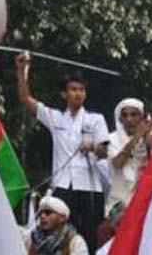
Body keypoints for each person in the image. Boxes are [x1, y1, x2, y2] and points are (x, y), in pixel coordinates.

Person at [16, 52, 109, 250]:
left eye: (82, 90)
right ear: (64, 94)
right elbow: (25, 98)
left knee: (87, 238)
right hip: (62, 186)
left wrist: (92, 146)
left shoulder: (96, 119)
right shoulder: (55, 117)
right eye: (73, 89)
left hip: (88, 188)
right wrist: (22, 70)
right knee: (58, 238)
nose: (78, 94)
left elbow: (105, 152)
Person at [105, 98, 152, 214]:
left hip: (150, 200)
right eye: (124, 115)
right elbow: (117, 164)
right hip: (121, 202)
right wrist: (137, 137)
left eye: (133, 114)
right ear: (119, 119)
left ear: (142, 117)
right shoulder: (112, 139)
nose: (129, 119)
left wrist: (151, 141)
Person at [23, 196, 89, 255]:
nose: (42, 216)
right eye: (40, 213)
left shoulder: (75, 242)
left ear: (62, 218)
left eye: (48, 212)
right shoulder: (30, 238)